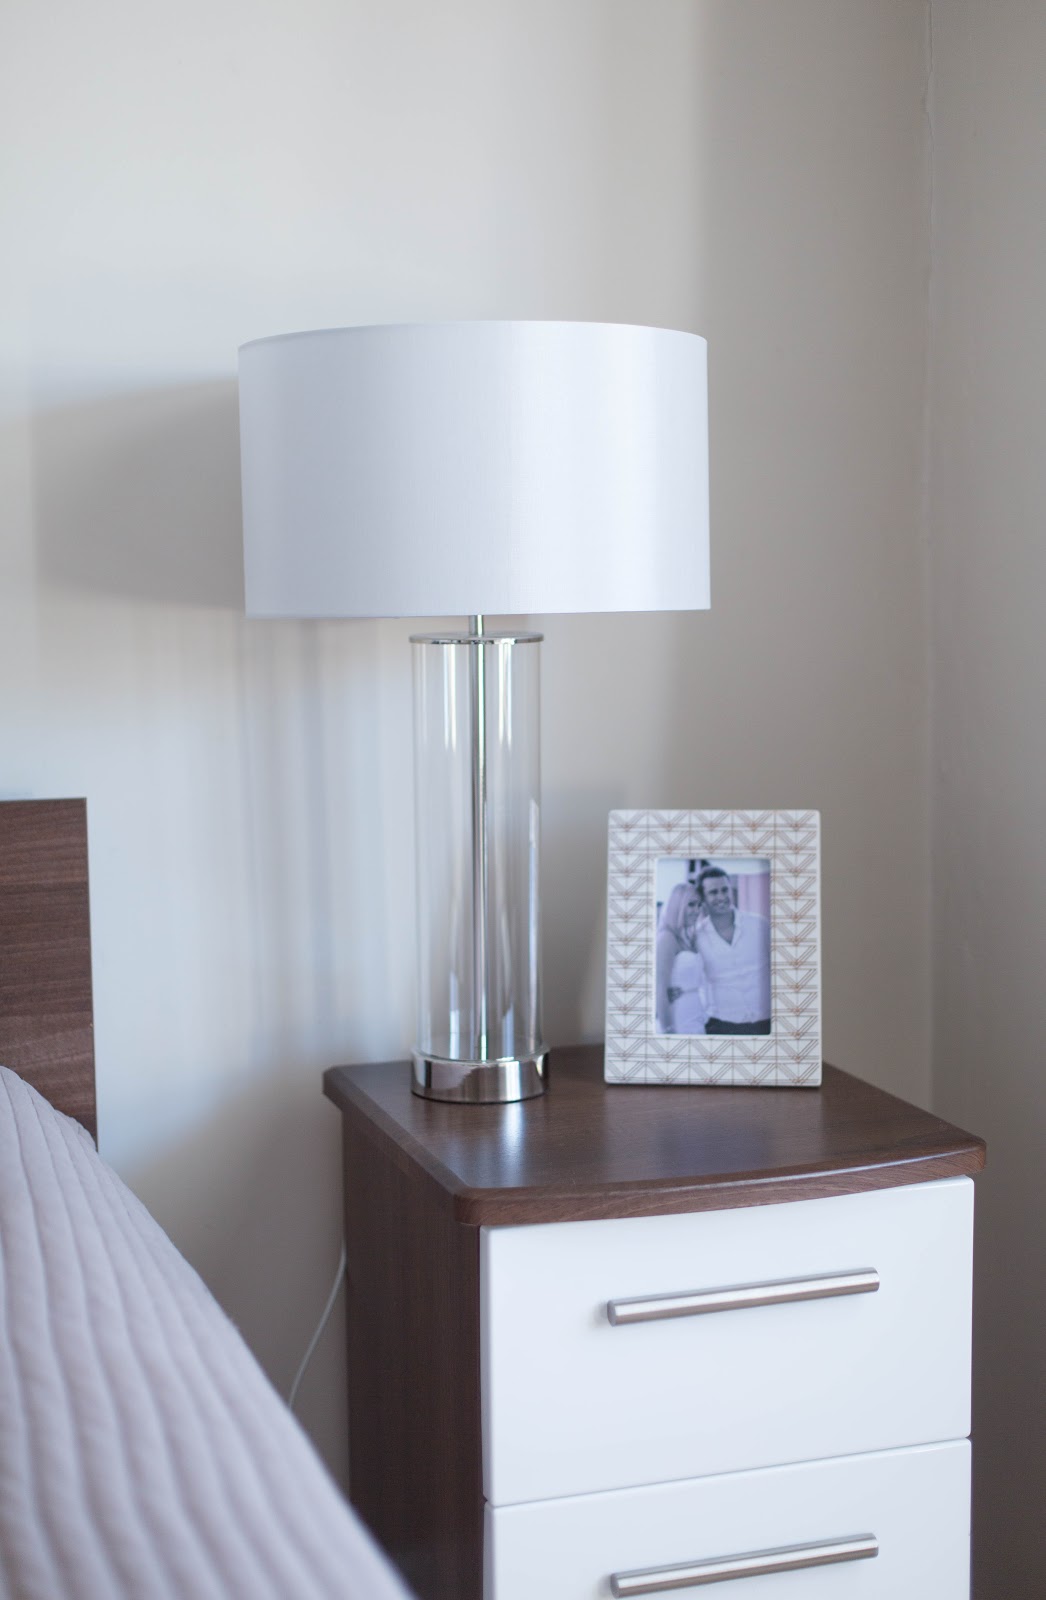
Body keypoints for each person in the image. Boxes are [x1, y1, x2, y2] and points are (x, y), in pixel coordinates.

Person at [692, 865, 772, 1034]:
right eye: (713, 892)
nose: (721, 896)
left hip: (766, 1022)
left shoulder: (760, 924)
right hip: (721, 1025)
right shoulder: (697, 937)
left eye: (725, 890)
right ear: (703, 898)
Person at [655, 882, 705, 1034]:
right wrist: (668, 1030)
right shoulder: (666, 937)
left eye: (699, 905)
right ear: (678, 905)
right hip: (678, 1016)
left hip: (696, 1012)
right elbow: (660, 989)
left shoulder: (688, 937)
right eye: (691, 905)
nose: (697, 911)